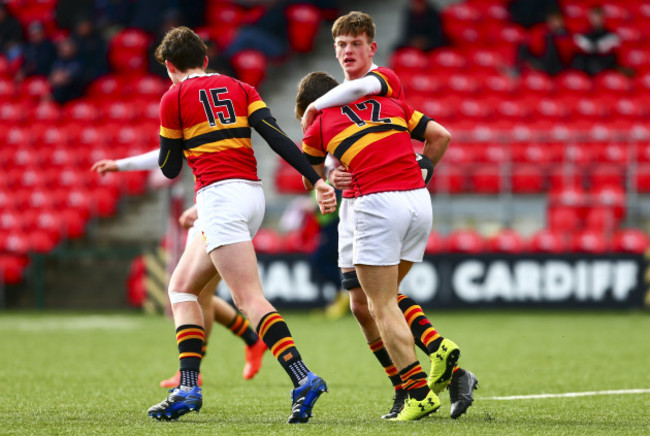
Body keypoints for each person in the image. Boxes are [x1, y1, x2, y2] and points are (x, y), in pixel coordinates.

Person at [147, 26, 336, 423]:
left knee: (248, 298)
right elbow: (276, 137)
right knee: (181, 289)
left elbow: (169, 169)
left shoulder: (173, 97)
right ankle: (188, 386)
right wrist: (316, 179)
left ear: (169, 66)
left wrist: (176, 137)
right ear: (205, 59)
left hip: (219, 198)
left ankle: (303, 378)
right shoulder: (241, 87)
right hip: (251, 195)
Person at [300, 11, 478, 420]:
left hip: (372, 205)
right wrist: (331, 173)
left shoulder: (376, 88)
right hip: (412, 201)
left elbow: (304, 164)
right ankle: (437, 357)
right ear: (334, 50)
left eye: (355, 44)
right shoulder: (388, 105)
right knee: (369, 302)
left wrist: (321, 177)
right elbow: (439, 136)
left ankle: (415, 389)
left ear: (371, 48)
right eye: (341, 45)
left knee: (377, 304)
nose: (347, 51)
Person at [91, 151, 268, 387]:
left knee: (195, 294)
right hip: (213, 210)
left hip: (221, 214)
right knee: (196, 294)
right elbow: (170, 151)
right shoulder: (207, 126)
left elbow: (234, 167)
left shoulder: (211, 126)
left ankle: (193, 371)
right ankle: (250, 341)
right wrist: (121, 165)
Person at [513, 9, 575, 76]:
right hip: (539, 65)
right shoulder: (539, 31)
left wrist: (559, 37)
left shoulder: (567, 35)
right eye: (552, 20)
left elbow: (567, 57)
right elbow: (529, 48)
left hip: (560, 69)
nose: (554, 23)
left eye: (557, 20)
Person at [572, 5, 621, 76]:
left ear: (603, 18)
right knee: (579, 60)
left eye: (598, 17)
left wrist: (592, 47)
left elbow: (601, 49)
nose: (595, 19)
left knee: (594, 63)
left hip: (603, 63)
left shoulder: (611, 35)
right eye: (593, 17)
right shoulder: (584, 34)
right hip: (586, 62)